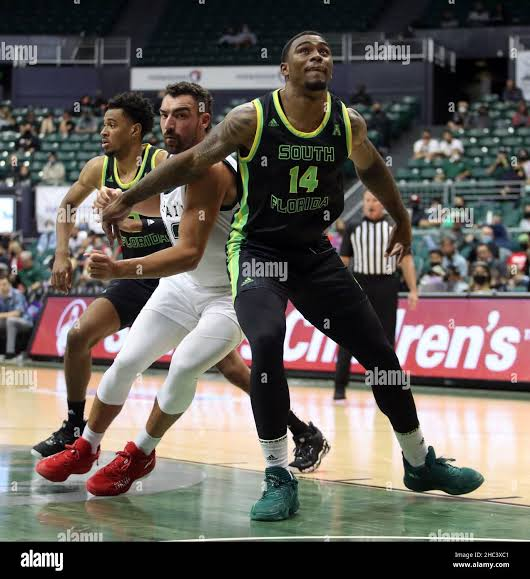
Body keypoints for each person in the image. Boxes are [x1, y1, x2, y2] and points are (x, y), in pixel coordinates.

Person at [100, 31, 484, 521]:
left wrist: (402, 218)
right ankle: (278, 475)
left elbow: (372, 170)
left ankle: (419, 461)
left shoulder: (347, 122)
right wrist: (128, 198)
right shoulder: (251, 119)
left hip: (313, 252)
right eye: (305, 50)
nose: (317, 55)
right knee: (265, 340)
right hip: (257, 250)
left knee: (381, 355)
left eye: (324, 50)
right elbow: (191, 162)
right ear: (285, 69)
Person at [33, 86, 327, 473]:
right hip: (166, 278)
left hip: (208, 281)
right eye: (165, 115)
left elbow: (186, 238)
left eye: (112, 124)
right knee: (100, 348)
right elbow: (156, 213)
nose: (104, 131)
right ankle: (80, 434)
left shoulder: (176, 163)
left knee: (214, 367)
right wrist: (113, 217)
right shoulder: (114, 168)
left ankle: (144, 452)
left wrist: (126, 239)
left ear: (135, 131)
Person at [333, 190, 418, 400]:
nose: (371, 204)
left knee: (386, 339)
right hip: (359, 284)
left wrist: (414, 290)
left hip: (387, 285)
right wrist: (337, 289)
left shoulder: (395, 227)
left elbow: (406, 260)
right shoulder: (353, 227)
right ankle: (339, 388)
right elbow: (343, 261)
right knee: (349, 335)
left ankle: (387, 389)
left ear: (383, 204)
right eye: (368, 200)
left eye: (375, 200)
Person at [0, 274, 33, 359]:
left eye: (4, 284)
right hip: (7, 320)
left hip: (25, 321)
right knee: (8, 320)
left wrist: (1, 315)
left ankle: (10, 353)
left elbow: (17, 313)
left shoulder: (17, 294)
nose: (2, 287)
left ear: (9, 284)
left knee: (11, 320)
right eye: (0, 285)